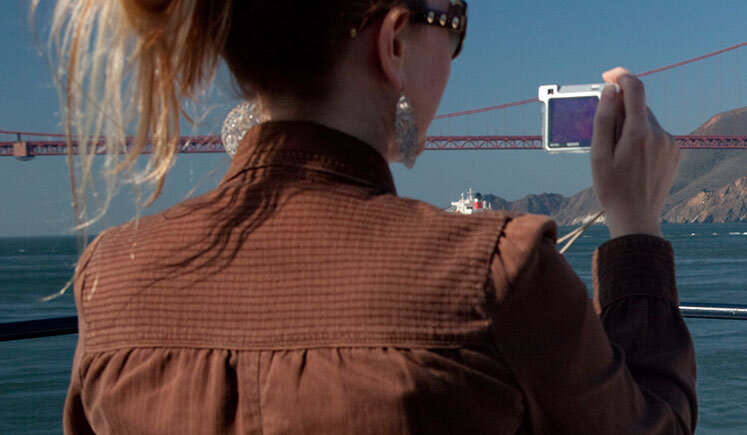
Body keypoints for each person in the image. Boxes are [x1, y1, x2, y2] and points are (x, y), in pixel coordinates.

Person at [46, 1, 696, 433]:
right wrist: (636, 225)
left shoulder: (110, 281)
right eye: (455, 25)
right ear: (393, 44)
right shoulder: (497, 273)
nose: (456, 53)